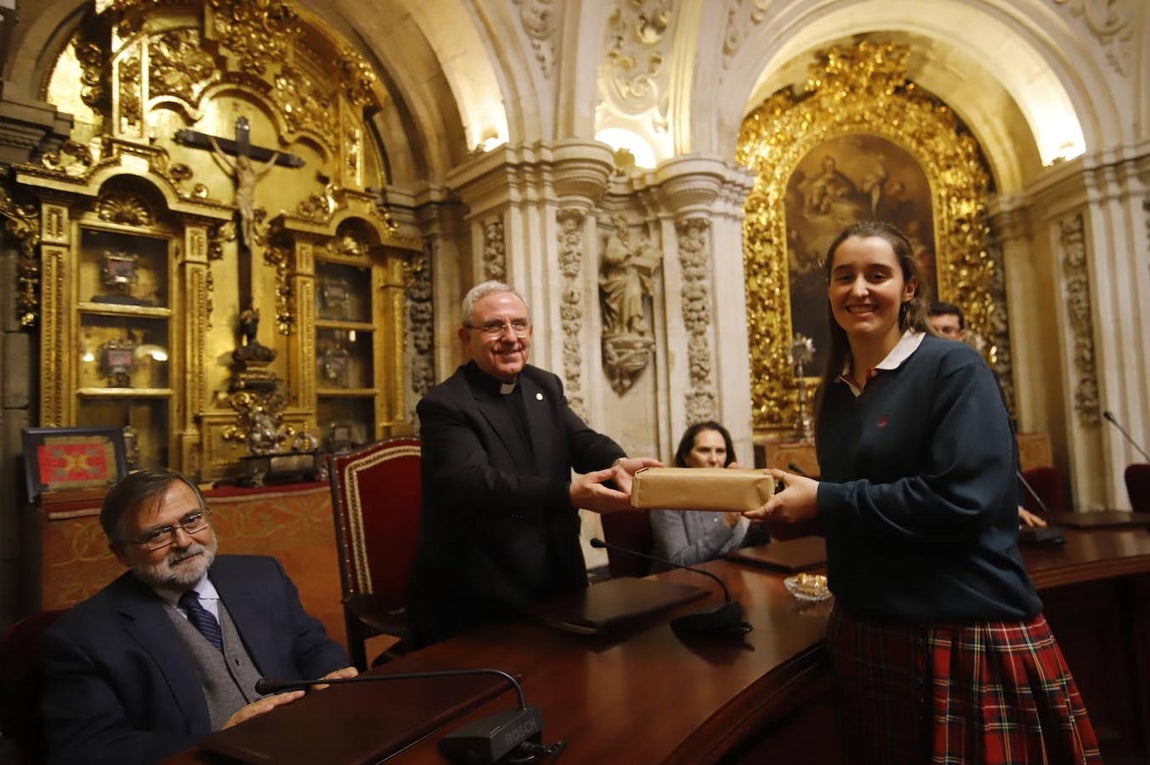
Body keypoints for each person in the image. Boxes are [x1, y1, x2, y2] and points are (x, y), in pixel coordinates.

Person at [748, 221, 1100, 764]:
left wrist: (824, 499)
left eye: (877, 275)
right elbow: (862, 503)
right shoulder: (838, 392)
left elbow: (964, 502)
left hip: (959, 629)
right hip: (867, 630)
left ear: (909, 287)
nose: (858, 289)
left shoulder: (954, 367)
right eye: (845, 276)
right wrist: (785, 503)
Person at [40, 469, 356, 765]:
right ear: (121, 553)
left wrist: (329, 675)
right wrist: (215, 742)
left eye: (192, 520)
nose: (184, 541)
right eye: (158, 534)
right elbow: (89, 748)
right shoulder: (83, 637)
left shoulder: (262, 574)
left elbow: (310, 643)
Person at [406, 280, 660, 646]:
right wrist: (567, 494)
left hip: (558, 575)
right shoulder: (445, 404)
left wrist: (617, 460)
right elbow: (474, 484)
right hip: (483, 591)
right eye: (494, 326)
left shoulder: (544, 385)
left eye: (519, 324)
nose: (511, 337)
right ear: (466, 337)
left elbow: (578, 438)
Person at [928, 301, 1048, 528]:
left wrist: (1015, 503)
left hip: (987, 507)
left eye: (947, 330)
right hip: (936, 508)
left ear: (961, 335)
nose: (940, 337)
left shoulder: (983, 377)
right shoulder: (913, 380)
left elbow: (1005, 445)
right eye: (933, 331)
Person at [648, 421, 768, 571]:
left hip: (724, 578)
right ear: (686, 457)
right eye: (704, 451)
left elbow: (733, 554)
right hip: (680, 587)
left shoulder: (728, 492)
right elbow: (678, 563)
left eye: (720, 451)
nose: (714, 459)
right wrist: (726, 524)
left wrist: (758, 527)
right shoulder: (665, 497)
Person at [210, 138, 278, 250]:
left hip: (249, 199)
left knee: (251, 218)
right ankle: (245, 238)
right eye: (241, 162)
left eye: (244, 161)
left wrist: (274, 157)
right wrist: (215, 145)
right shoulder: (240, 172)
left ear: (247, 162)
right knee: (245, 216)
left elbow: (267, 167)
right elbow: (224, 157)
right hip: (241, 196)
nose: (243, 163)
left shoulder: (254, 174)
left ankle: (249, 238)